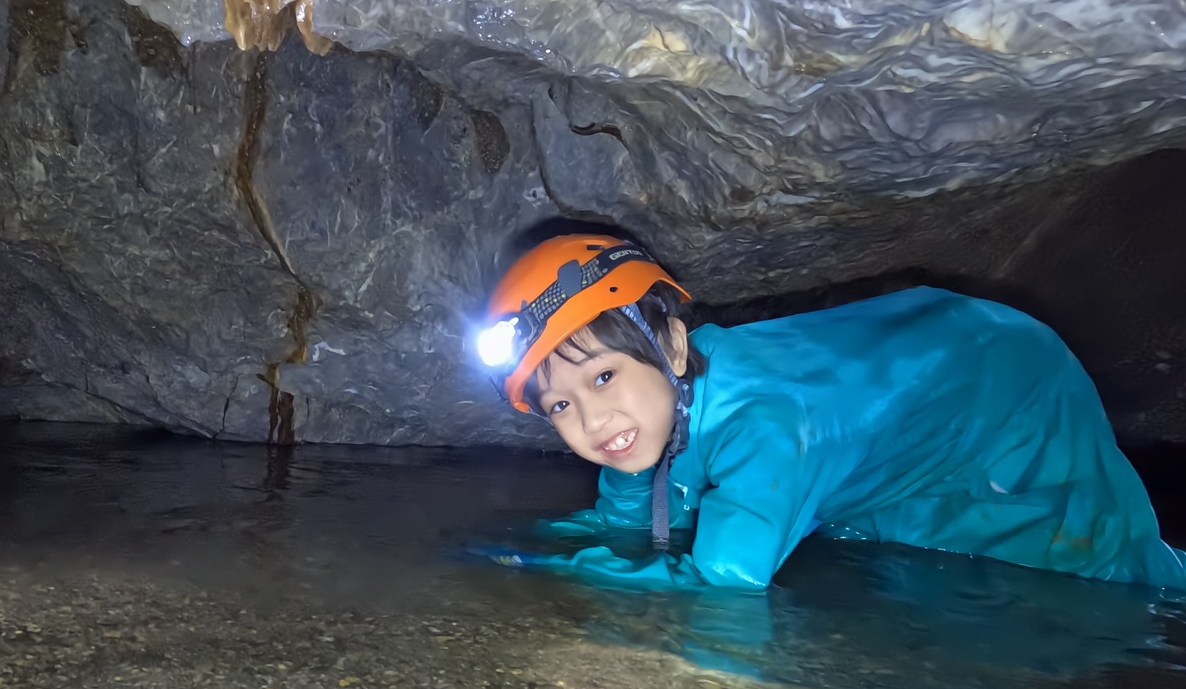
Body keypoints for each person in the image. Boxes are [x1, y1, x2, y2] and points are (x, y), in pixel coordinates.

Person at [472, 229, 1186, 592]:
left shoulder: (766, 425)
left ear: (674, 344)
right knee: (874, 541)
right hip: (900, 387)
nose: (591, 423)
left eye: (601, 378)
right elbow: (625, 516)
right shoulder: (655, 401)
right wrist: (512, 546)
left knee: (1097, 571)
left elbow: (724, 585)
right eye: (560, 404)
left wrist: (564, 570)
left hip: (1004, 381)